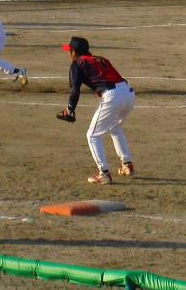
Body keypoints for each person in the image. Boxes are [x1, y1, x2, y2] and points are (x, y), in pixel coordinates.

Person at [56, 36, 136, 184]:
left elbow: (75, 90)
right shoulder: (101, 59)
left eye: (69, 51)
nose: (68, 53)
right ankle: (127, 165)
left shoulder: (77, 64)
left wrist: (69, 110)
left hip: (113, 96)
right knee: (115, 128)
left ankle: (103, 173)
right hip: (128, 93)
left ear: (74, 52)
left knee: (92, 135)